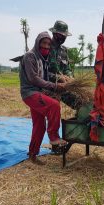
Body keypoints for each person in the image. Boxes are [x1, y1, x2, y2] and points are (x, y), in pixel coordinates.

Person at [19, 31, 67, 165]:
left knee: (39, 126)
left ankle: (33, 155)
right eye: (43, 43)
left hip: (39, 93)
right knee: (54, 105)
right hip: (30, 93)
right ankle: (54, 136)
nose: (46, 47)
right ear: (37, 43)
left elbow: (45, 78)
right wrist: (55, 86)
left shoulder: (43, 59)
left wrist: (60, 82)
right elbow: (34, 79)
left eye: (48, 44)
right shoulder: (30, 56)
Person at [48, 20, 83, 110]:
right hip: (47, 87)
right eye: (60, 35)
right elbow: (41, 72)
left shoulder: (64, 50)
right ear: (54, 33)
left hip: (63, 87)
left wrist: (70, 78)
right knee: (51, 111)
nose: (62, 37)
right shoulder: (45, 47)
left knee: (80, 103)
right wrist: (59, 78)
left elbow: (67, 68)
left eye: (64, 36)